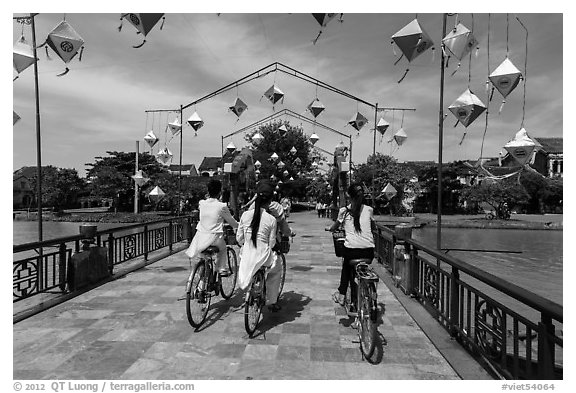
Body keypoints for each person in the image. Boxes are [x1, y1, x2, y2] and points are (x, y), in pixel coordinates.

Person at [327, 183, 375, 315]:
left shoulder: (344, 211)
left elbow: (335, 226)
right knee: (354, 268)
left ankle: (342, 293)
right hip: (369, 251)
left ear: (349, 196)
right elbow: (373, 225)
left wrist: (330, 229)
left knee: (346, 267)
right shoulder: (369, 209)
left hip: (352, 252)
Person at [237, 181, 283, 312]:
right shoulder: (271, 219)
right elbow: (272, 243)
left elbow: (239, 238)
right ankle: (271, 301)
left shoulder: (245, 215)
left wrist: (245, 245)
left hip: (246, 255)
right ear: (270, 201)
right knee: (276, 270)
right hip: (263, 256)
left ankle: (253, 287)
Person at [185, 179, 238, 275]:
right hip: (214, 238)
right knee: (223, 248)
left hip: (200, 237)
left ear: (208, 191)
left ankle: (201, 283)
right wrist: (238, 226)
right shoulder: (221, 206)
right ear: (220, 192)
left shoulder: (202, 203)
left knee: (202, 255)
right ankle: (221, 268)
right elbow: (232, 222)